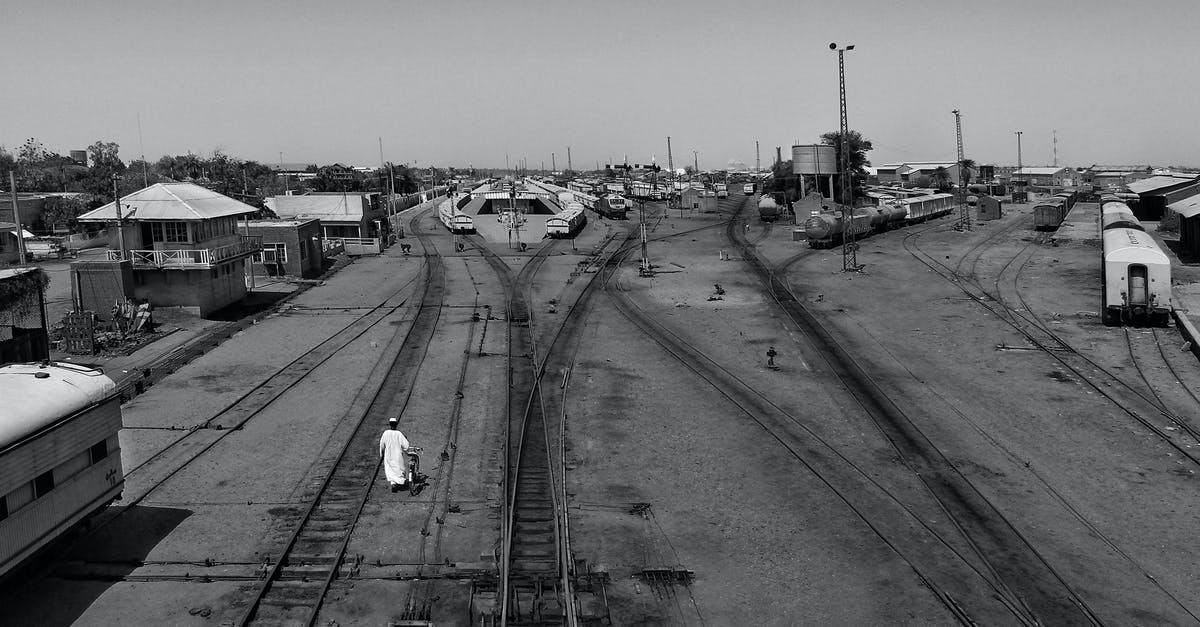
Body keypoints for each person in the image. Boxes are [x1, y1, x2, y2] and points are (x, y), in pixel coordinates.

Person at [379, 417, 411, 492]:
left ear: (390, 424)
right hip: (397, 456)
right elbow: (406, 445)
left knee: (390, 470)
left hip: (388, 455)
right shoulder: (399, 434)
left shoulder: (386, 433)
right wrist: (406, 450)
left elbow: (381, 444)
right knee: (399, 469)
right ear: (396, 425)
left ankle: (393, 483)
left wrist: (381, 453)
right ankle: (400, 482)